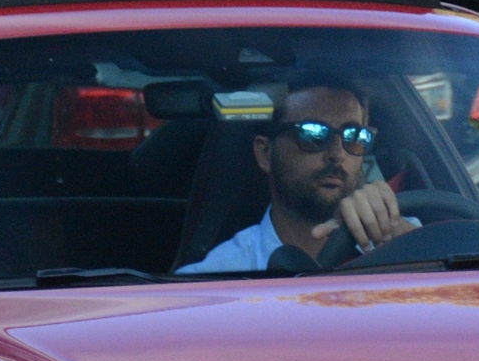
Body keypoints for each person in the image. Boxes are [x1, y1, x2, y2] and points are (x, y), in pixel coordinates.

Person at [179, 78, 417, 274]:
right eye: (313, 134)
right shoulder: (218, 276)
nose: (337, 155)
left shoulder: (404, 236)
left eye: (354, 136)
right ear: (265, 153)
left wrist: (399, 239)